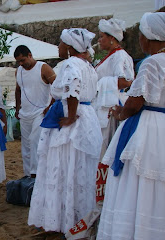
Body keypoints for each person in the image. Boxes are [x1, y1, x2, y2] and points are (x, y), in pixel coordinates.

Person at [97, 12, 165, 240]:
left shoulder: (152, 63)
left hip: (148, 126)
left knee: (137, 180)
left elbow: (136, 101)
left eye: (141, 36)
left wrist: (120, 112)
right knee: (158, 180)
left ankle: (135, 230)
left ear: (149, 37)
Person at [28, 28, 102, 233]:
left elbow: (72, 87)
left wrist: (70, 115)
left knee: (62, 167)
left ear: (69, 48)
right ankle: (77, 216)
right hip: (87, 116)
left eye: (60, 43)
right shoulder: (88, 65)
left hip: (73, 119)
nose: (58, 47)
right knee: (78, 169)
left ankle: (61, 220)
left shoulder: (71, 64)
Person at [93, 18, 134, 160]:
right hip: (102, 105)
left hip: (111, 106)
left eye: (101, 36)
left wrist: (100, 83)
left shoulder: (120, 56)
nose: (99, 40)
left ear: (111, 38)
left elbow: (126, 81)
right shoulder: (110, 56)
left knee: (106, 145)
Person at [14, 45, 56, 178]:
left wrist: (50, 106)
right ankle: (27, 174)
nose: (21, 64)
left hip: (40, 112)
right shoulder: (18, 71)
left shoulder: (43, 68)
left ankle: (36, 173)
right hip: (24, 113)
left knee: (35, 141)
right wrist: (17, 107)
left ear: (30, 55)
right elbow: (18, 90)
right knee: (25, 145)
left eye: (23, 60)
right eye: (18, 61)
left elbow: (57, 86)